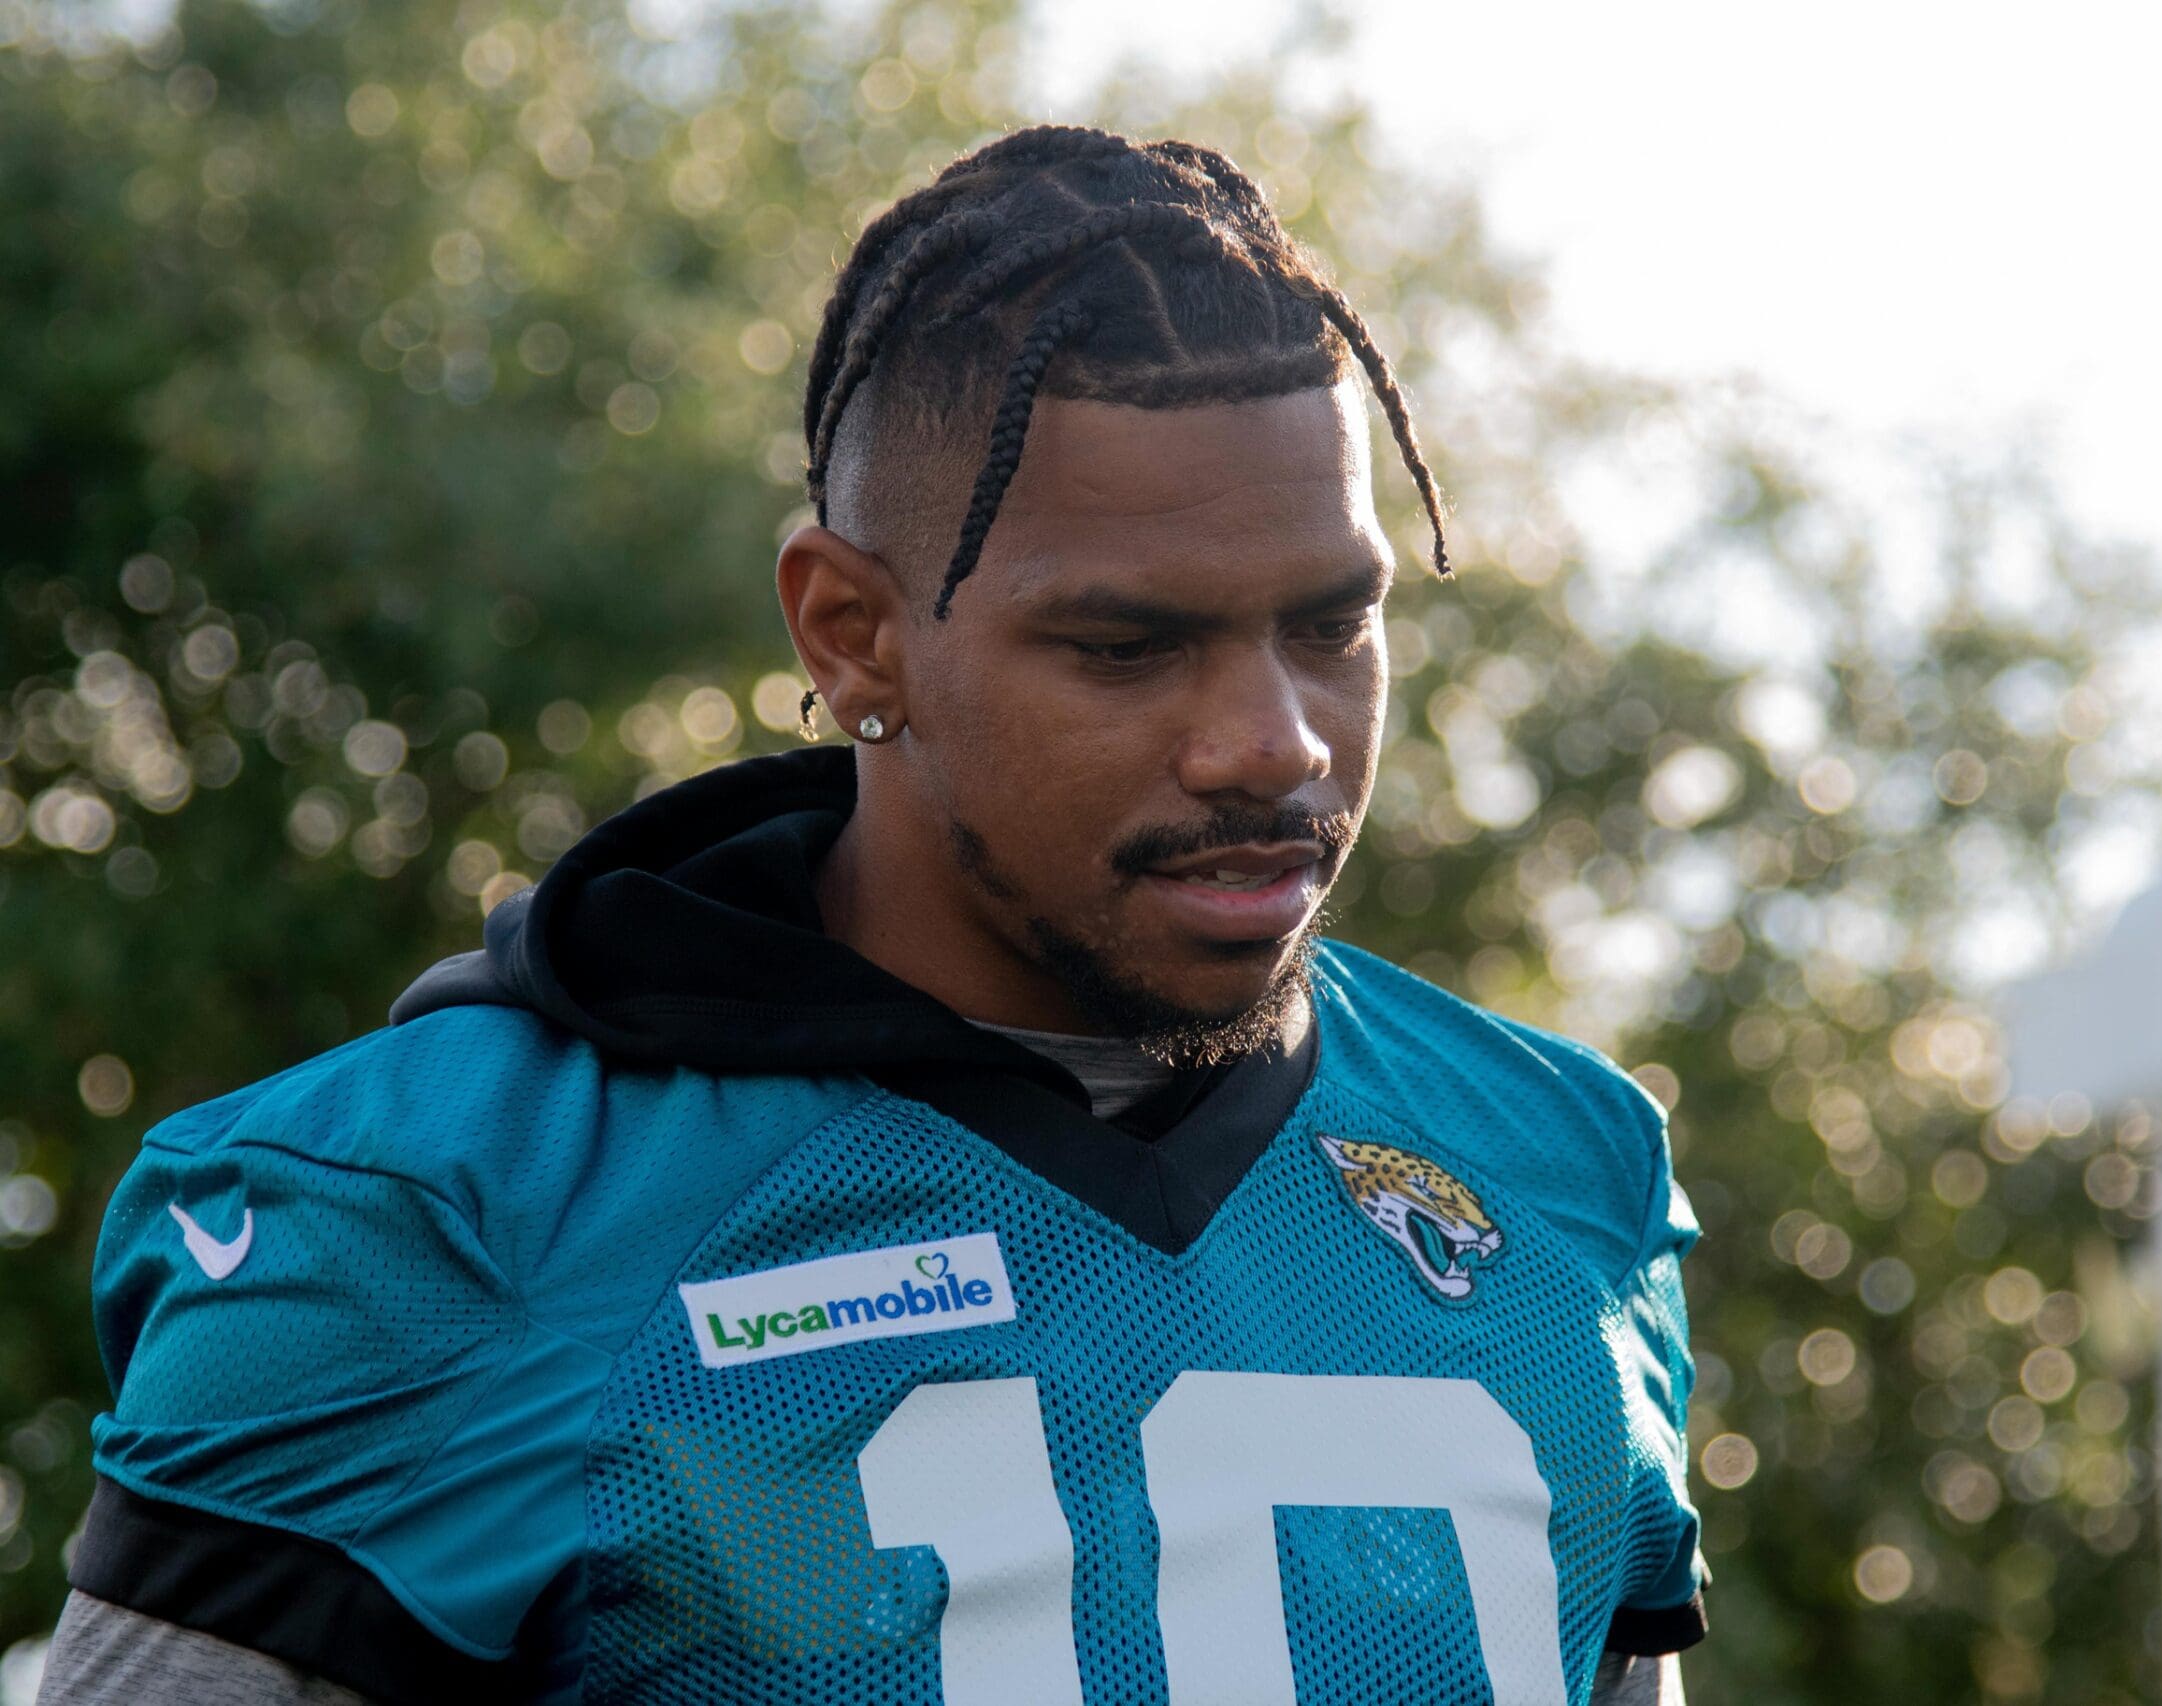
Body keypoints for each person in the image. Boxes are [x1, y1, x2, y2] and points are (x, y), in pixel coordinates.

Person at [38, 125, 1706, 1706]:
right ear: (852, 634)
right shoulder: (445, 1216)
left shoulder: (1561, 1172)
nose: (1272, 740)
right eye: (1126, 646)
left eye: (1333, 624)